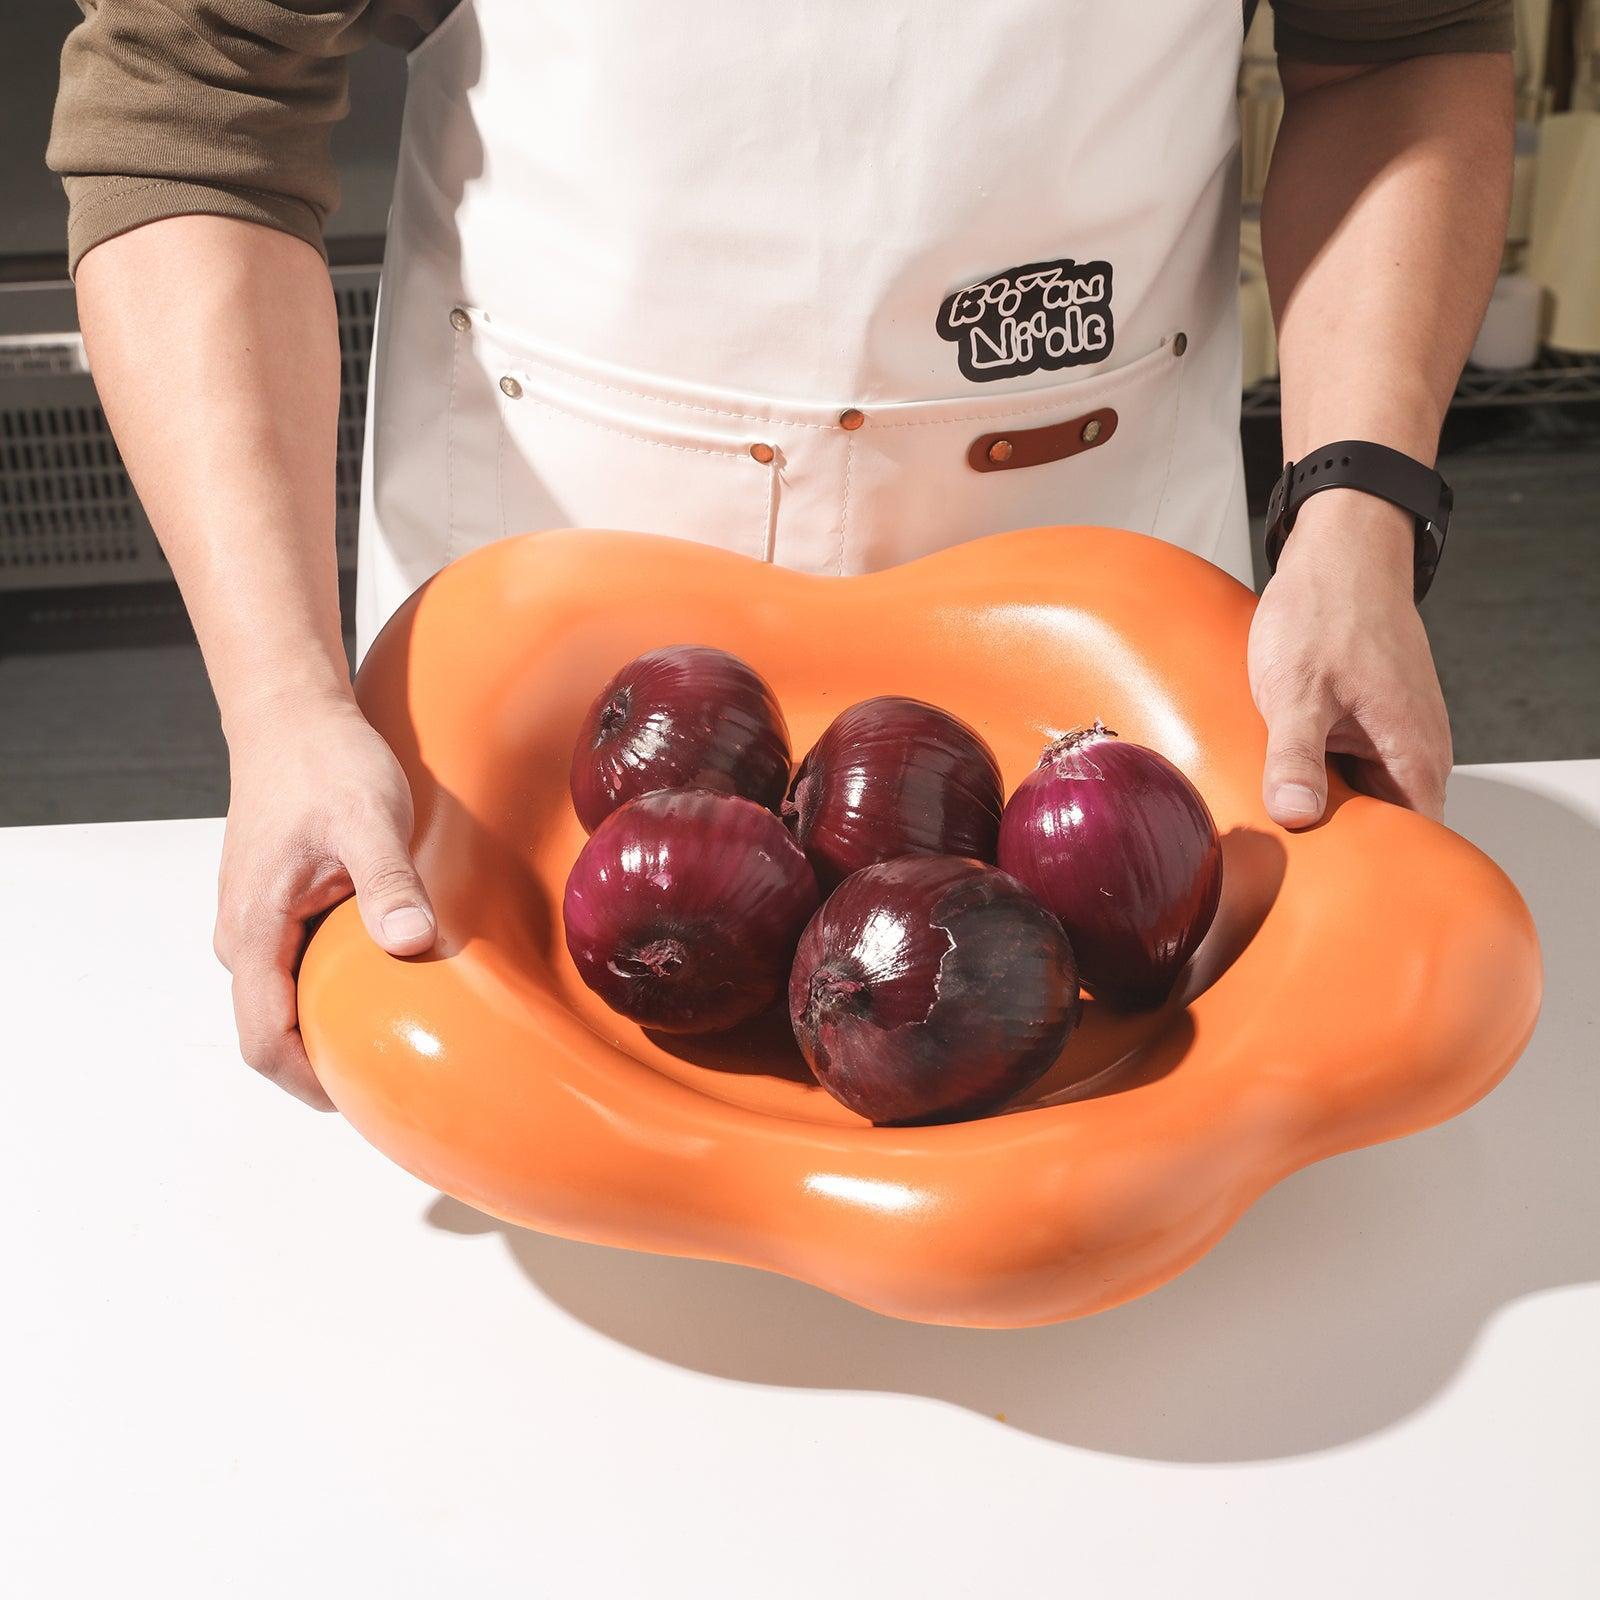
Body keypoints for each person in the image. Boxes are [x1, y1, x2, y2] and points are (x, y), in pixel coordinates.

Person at [48, 1, 1514, 1108]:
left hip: (1105, 634)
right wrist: (283, 706)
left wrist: (1358, 513)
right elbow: (195, 97)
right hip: (542, 666)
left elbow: (1400, 45)